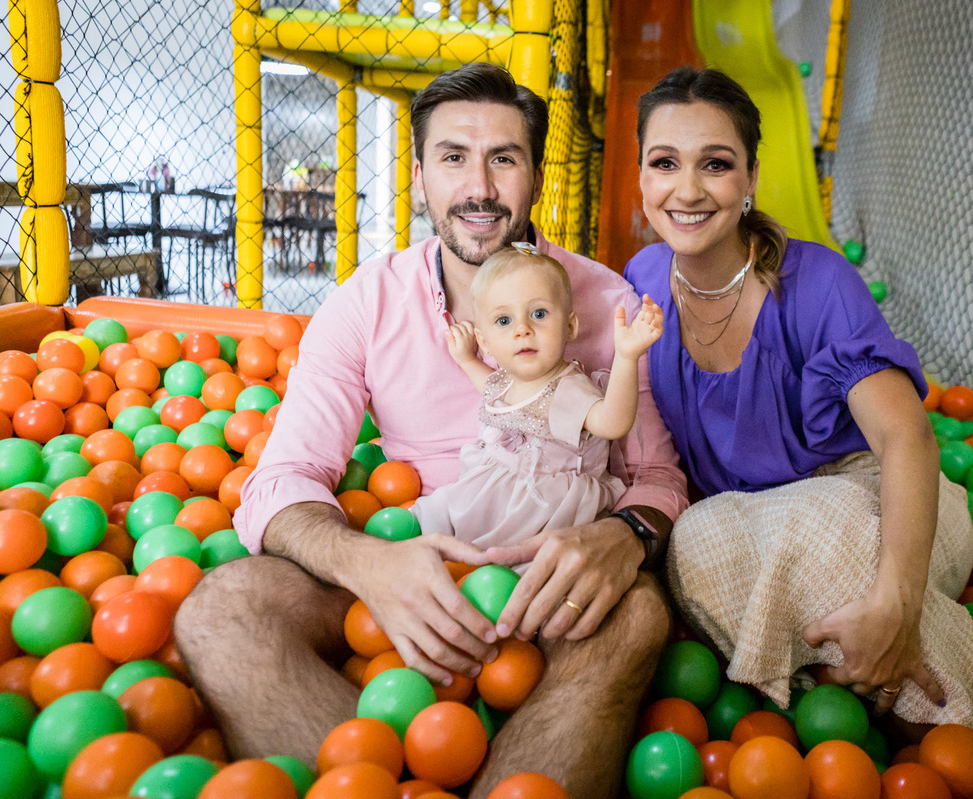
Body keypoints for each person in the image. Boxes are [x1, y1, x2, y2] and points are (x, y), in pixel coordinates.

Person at [174, 63, 688, 798]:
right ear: (419, 177)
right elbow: (282, 479)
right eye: (453, 158)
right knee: (221, 610)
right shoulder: (366, 303)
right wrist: (369, 566)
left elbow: (661, 479)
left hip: (550, 580)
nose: (479, 187)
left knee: (638, 616)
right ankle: (375, 779)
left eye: (503, 158)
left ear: (536, 176)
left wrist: (622, 536)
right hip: (409, 555)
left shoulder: (604, 302)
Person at [624, 66, 973, 729]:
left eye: (717, 164)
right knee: (697, 542)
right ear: (642, 176)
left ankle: (931, 713)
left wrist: (898, 600)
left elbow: (907, 440)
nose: (688, 188)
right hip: (747, 523)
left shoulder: (817, 280)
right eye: (664, 163)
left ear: (752, 177)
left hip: (878, 504)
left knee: (813, 528)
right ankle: (838, 689)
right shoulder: (641, 282)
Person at [410, 244, 664, 550]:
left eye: (539, 314)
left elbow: (613, 423)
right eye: (504, 321)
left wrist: (626, 356)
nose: (522, 329)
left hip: (545, 506)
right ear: (484, 341)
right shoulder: (504, 382)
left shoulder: (568, 389)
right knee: (438, 516)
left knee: (512, 556)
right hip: (494, 490)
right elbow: (490, 391)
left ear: (569, 326)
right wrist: (467, 359)